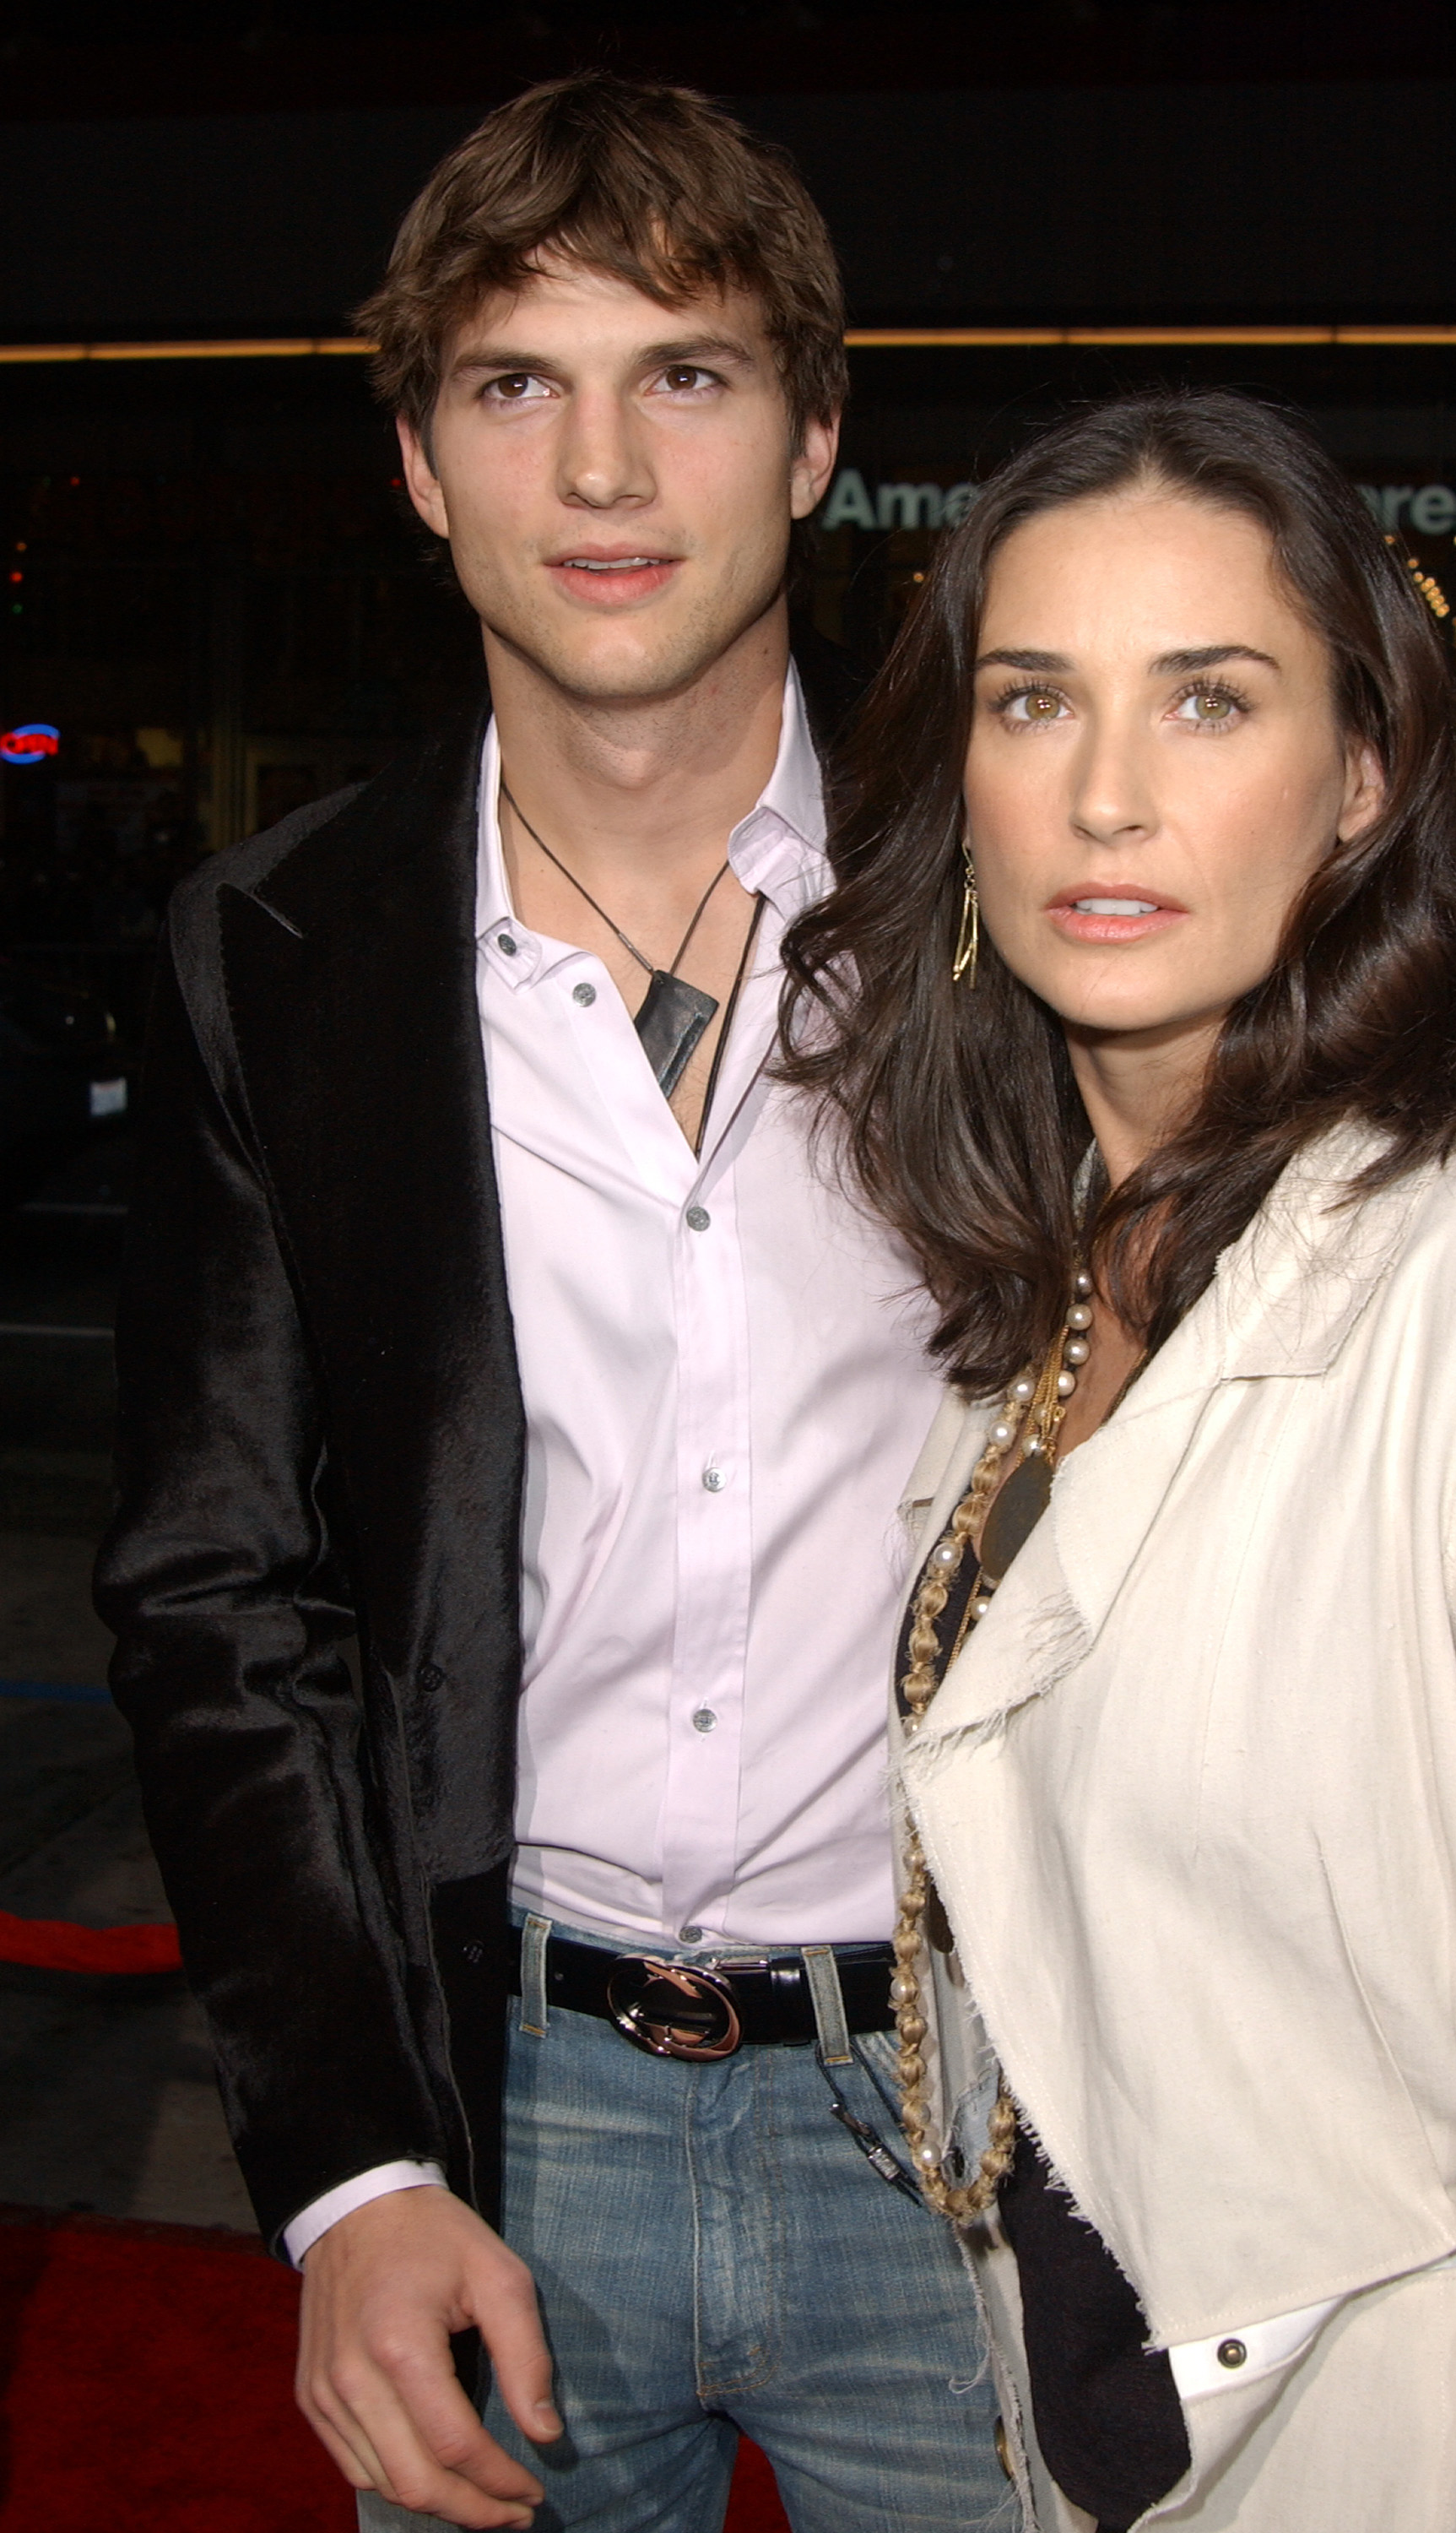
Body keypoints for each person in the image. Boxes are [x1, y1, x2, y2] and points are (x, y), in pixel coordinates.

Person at [95, 72, 1015, 2533]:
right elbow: (219, 1593)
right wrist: (345, 2167)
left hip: (984, 2111)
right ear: (422, 464)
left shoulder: (1018, 902)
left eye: (683, 374)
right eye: (518, 384)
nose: (601, 468)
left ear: (814, 438)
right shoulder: (272, 950)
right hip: (500, 2115)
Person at [781, 390, 1456, 2530]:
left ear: (1360, 774)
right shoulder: (1040, 1293)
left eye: (1208, 699)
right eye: (1032, 700)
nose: (1107, 793)